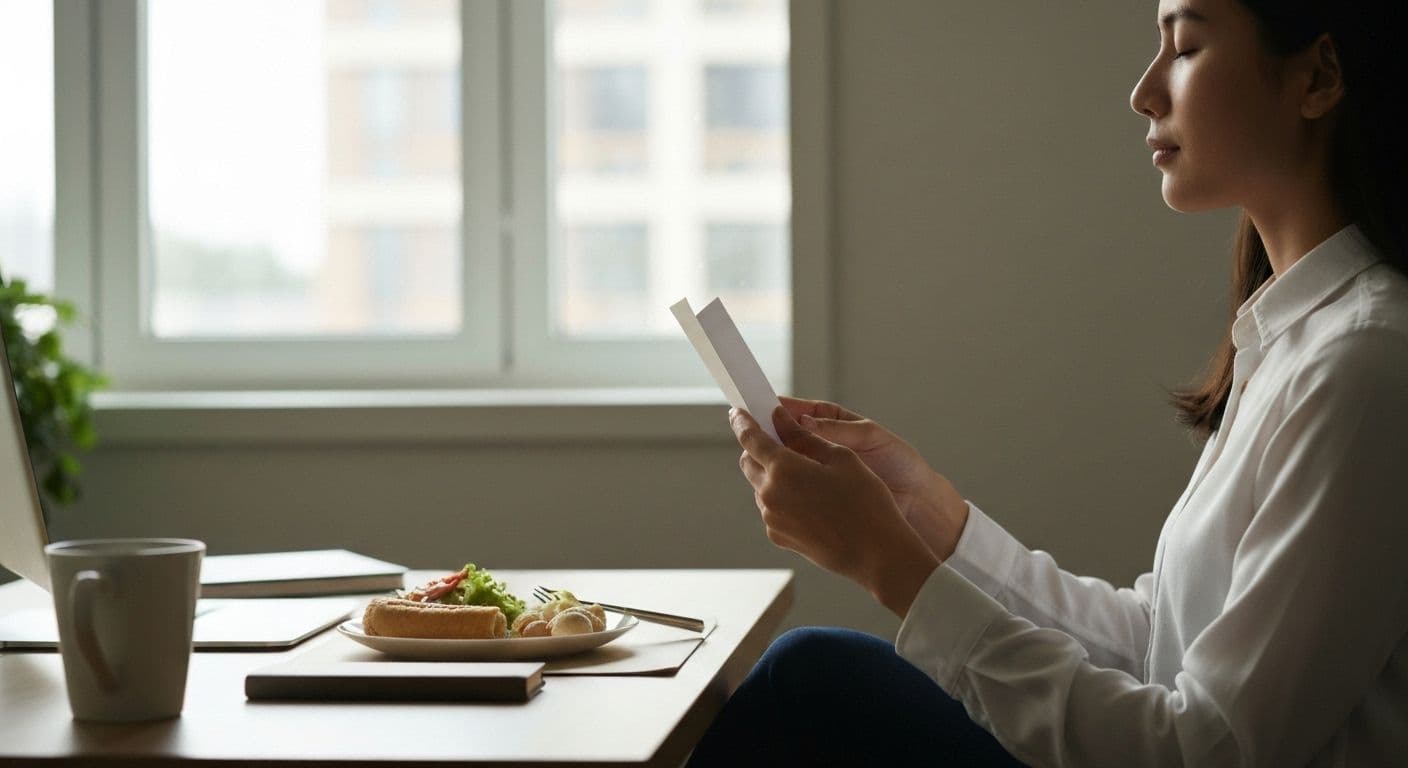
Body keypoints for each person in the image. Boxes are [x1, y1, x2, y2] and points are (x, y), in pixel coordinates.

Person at [686, 0, 1408, 765]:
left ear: (1318, 78)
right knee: (811, 679)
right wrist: (928, 519)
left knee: (809, 682)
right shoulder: (1294, 341)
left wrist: (888, 563)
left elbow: (1208, 749)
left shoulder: (1362, 363)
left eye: (1186, 47)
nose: (1144, 92)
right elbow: (1155, 644)